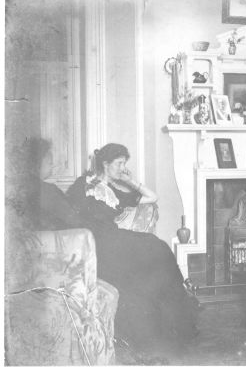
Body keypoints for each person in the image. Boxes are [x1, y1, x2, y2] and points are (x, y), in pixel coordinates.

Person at [65, 143, 198, 356]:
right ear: (105, 163)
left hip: (115, 240)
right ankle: (182, 296)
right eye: (119, 163)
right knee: (156, 247)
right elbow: (70, 216)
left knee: (158, 249)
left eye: (124, 163)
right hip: (94, 243)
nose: (122, 168)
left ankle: (179, 307)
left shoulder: (115, 192)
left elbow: (152, 197)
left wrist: (129, 181)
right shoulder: (84, 185)